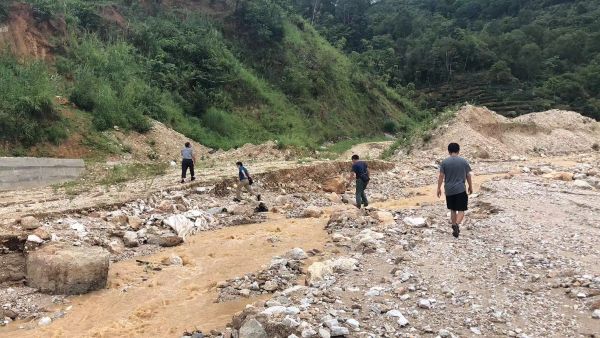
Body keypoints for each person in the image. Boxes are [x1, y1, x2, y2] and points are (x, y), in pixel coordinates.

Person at [437, 143, 473, 238]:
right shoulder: (463, 161)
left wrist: (438, 188)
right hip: (460, 189)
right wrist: (470, 186)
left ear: (449, 151)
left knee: (453, 209)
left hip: (449, 190)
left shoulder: (444, 162)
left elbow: (441, 176)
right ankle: (456, 224)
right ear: (458, 151)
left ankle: (454, 225)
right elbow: (468, 175)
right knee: (461, 210)